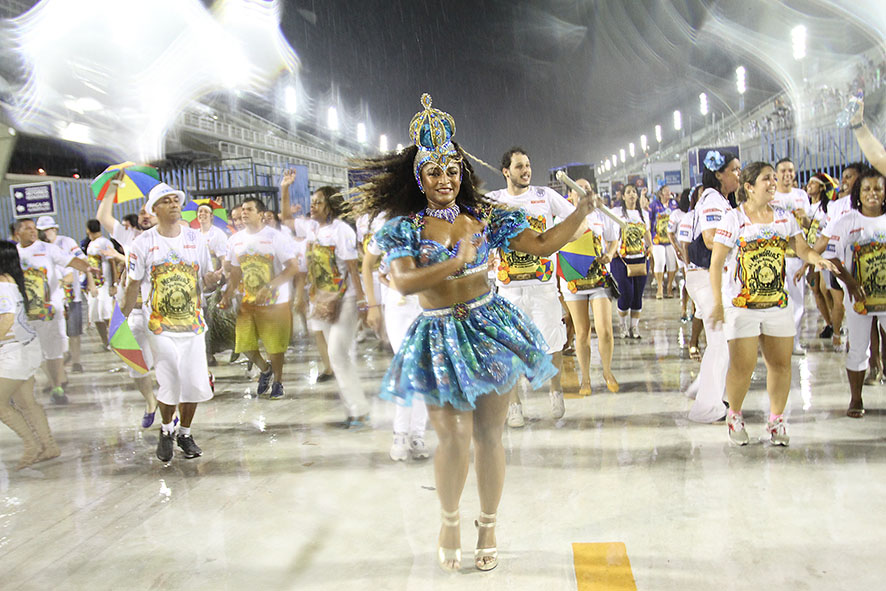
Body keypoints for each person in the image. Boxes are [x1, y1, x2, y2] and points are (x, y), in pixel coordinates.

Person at [356, 94, 592, 572]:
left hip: (490, 326)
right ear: (419, 177)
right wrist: (455, 261)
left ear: (462, 171)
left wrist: (581, 210)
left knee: (489, 435)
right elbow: (402, 281)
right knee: (453, 438)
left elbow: (544, 244)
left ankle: (488, 522)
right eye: (434, 172)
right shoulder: (404, 226)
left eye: (452, 170)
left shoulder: (486, 214)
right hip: (439, 334)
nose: (445, 180)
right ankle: (449, 519)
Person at [710, 162, 835, 446]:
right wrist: (717, 303)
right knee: (743, 367)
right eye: (767, 178)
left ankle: (776, 421)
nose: (773, 183)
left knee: (780, 365)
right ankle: (735, 416)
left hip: (778, 303)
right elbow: (716, 263)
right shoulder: (733, 219)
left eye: (774, 178)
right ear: (749, 187)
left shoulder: (784, 217)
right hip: (742, 306)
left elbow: (800, 247)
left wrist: (815, 259)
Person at [122, 183, 222, 461]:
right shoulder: (142, 243)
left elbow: (206, 279)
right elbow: (132, 285)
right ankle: (166, 429)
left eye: (175, 200)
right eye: (166, 202)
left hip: (192, 325)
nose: (173, 205)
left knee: (193, 382)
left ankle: (185, 434)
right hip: (159, 325)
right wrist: (121, 318)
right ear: (154, 210)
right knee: (171, 380)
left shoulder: (194, 238)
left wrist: (213, 280)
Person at [487, 147, 584, 426]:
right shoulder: (494, 201)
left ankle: (556, 390)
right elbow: (477, 232)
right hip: (509, 289)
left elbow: (577, 222)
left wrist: (555, 243)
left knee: (553, 343)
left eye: (528, 165)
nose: (526, 170)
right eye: (519, 166)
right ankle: (514, 404)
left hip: (542, 286)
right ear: (506, 171)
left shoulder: (545, 196)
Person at [683, 151, 741, 423]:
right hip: (706, 276)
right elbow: (709, 239)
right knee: (720, 342)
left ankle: (705, 389)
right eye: (735, 170)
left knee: (723, 341)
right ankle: (707, 406)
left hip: (705, 276)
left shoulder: (716, 199)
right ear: (719, 174)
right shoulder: (714, 200)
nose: (738, 176)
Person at [362, 227, 430, 461]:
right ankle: (400, 433)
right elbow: (368, 263)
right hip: (399, 306)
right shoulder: (390, 227)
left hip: (428, 304)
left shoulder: (432, 222)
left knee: (422, 370)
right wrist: (372, 304)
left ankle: (417, 434)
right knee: (407, 366)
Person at [220, 197, 298, 399]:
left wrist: (270, 286)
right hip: (248, 300)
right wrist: (228, 294)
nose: (244, 213)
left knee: (275, 346)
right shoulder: (235, 240)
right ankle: (265, 369)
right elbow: (234, 271)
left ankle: (278, 382)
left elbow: (293, 267)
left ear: (261, 214)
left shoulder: (275, 237)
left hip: (276, 302)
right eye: (242, 210)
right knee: (244, 343)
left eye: (249, 209)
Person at [824, 166, 886, 418]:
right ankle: (856, 398)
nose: (872, 194)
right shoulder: (846, 222)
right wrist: (849, 282)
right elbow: (832, 257)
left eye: (878, 189)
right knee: (859, 347)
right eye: (867, 189)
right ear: (857, 194)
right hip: (858, 297)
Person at [96, 186, 160, 427]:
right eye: (142, 212)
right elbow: (103, 217)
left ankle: (170, 413)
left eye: (150, 212)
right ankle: (150, 402)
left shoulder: (170, 238)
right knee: (135, 363)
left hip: (159, 314)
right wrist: (112, 187)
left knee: (166, 365)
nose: (144, 216)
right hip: (131, 312)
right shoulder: (130, 236)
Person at [303, 186, 368, 425]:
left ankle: (358, 410)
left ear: (330, 205)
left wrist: (360, 301)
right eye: (312, 202)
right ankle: (355, 409)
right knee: (339, 356)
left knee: (337, 354)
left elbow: (352, 271)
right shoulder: (312, 229)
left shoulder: (342, 231)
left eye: (318, 202)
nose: (313, 206)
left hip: (346, 298)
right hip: (322, 299)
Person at [14, 218, 93, 404]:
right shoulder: (13, 254)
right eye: (28, 229)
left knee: (55, 350)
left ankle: (57, 387)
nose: (33, 232)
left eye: (34, 228)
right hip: (27, 313)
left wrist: (88, 268)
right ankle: (53, 381)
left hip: (51, 310)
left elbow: (70, 261)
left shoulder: (47, 249)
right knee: (36, 351)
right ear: (18, 233)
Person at [0, 240, 60, 469]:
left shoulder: (2, 283)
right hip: (23, 348)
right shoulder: (11, 280)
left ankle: (31, 445)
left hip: (16, 351)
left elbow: (6, 318)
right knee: (26, 402)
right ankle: (49, 445)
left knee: (1, 403)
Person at [558, 178, 620, 395]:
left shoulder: (602, 213)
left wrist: (610, 255)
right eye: (578, 189)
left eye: (586, 189)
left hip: (599, 278)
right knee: (582, 332)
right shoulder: (562, 214)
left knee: (605, 331)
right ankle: (585, 378)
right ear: (571, 194)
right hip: (574, 279)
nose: (582, 192)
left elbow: (613, 239)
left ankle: (607, 371)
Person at [35, 216, 90, 374]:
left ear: (56, 229)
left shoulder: (67, 242)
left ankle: (76, 361)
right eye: (44, 230)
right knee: (55, 334)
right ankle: (60, 364)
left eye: (50, 229)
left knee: (74, 330)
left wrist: (70, 280)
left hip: (72, 293)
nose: (48, 233)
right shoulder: (39, 248)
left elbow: (82, 261)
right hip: (50, 299)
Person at [771, 158, 811, 355]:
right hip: (776, 255)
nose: (787, 174)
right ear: (776, 174)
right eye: (783, 171)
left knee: (797, 301)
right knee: (776, 300)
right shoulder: (771, 196)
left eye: (790, 171)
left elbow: (809, 226)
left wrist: (805, 218)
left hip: (795, 256)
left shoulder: (802, 195)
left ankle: (794, 341)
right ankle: (777, 341)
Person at [610, 184, 653, 339]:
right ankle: (622, 324)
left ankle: (634, 328)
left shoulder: (644, 215)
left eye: (634, 192)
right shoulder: (616, 213)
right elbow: (609, 230)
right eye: (628, 192)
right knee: (625, 293)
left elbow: (647, 232)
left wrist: (651, 246)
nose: (632, 195)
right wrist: (610, 248)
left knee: (637, 295)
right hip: (621, 260)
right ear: (623, 196)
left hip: (640, 259)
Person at [804, 173, 836, 339]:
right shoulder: (806, 206)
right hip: (810, 251)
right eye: (808, 183)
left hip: (825, 252)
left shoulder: (829, 207)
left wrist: (810, 224)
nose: (809, 186)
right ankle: (829, 323)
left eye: (813, 183)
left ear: (822, 187)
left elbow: (828, 230)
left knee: (826, 290)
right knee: (815, 289)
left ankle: (837, 322)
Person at [84, 219, 116, 346]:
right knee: (95, 315)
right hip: (94, 285)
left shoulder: (105, 242)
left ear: (88, 229)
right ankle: (105, 342)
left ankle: (116, 341)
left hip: (105, 284)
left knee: (106, 313)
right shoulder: (90, 244)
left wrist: (113, 284)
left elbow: (112, 262)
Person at [648, 182, 680, 298]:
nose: (668, 193)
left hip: (671, 239)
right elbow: (649, 221)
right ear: (661, 193)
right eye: (666, 191)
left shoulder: (674, 205)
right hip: (657, 239)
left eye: (669, 191)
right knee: (660, 262)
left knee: (672, 263)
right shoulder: (654, 205)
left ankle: (670, 286)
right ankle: (660, 287)